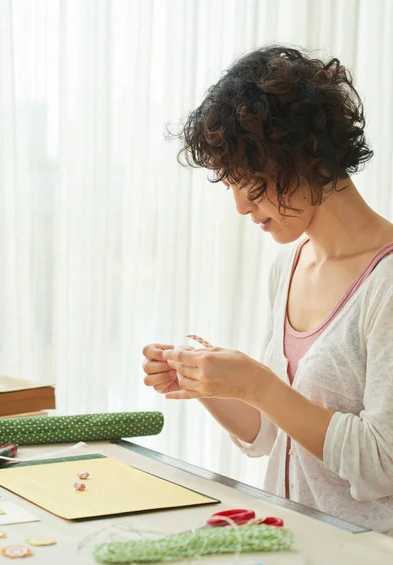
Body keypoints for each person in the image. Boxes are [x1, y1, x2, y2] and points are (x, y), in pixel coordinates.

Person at [142, 46, 393, 533]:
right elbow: (271, 436)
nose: (239, 205)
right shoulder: (288, 266)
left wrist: (259, 384)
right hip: (296, 553)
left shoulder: (386, 284)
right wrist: (207, 382)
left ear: (301, 158)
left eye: (247, 180)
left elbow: (383, 463)